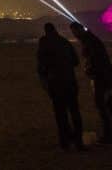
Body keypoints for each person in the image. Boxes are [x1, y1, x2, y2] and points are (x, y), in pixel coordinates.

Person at [70, 22, 112, 143]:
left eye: (74, 33)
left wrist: (89, 70)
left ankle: (109, 135)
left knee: (103, 106)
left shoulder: (90, 41)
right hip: (103, 77)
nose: (74, 35)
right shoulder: (90, 39)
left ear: (78, 30)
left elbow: (96, 60)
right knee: (108, 105)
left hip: (101, 78)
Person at [37, 23, 84, 151]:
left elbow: (41, 65)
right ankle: (79, 142)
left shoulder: (44, 43)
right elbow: (75, 61)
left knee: (60, 114)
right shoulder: (65, 42)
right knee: (75, 112)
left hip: (56, 84)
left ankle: (65, 143)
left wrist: (45, 78)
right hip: (70, 82)